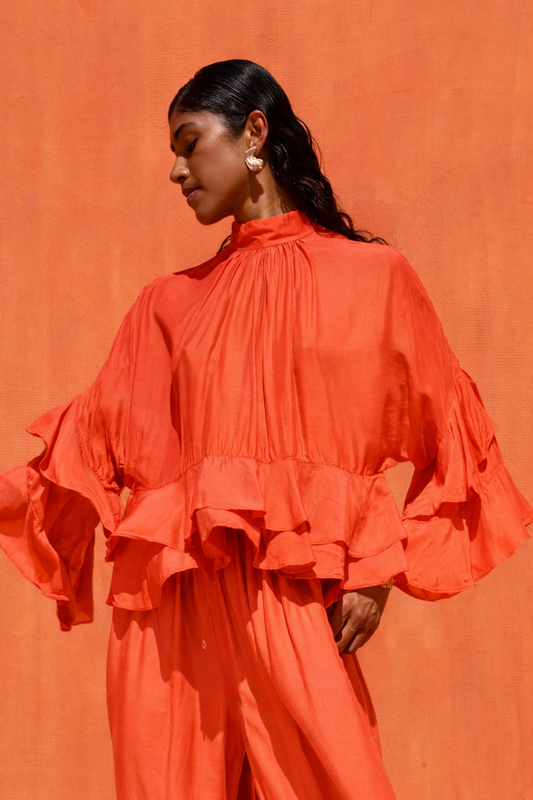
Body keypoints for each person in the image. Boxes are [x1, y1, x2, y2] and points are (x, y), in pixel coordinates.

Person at [0, 59, 531, 800]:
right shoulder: (166, 305)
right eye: (173, 153)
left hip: (292, 597)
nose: (176, 170)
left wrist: (379, 566)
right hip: (170, 621)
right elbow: (84, 444)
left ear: (254, 131)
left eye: (189, 143)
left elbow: (452, 431)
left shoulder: (373, 278)